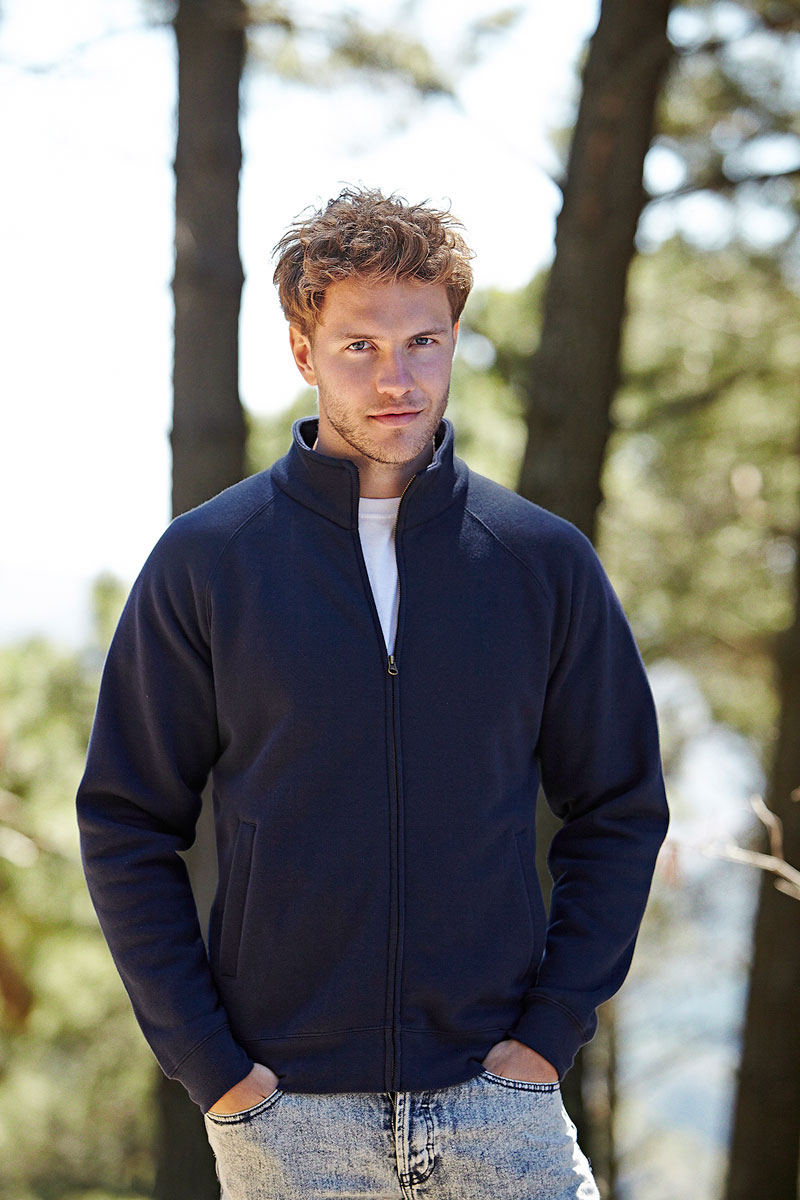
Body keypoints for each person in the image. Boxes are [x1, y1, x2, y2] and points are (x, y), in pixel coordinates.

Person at [77, 187, 669, 1200]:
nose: (397, 378)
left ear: (453, 341)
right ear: (302, 351)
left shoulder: (540, 562)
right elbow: (126, 821)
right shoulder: (207, 562)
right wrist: (214, 1070)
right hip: (288, 1119)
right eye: (359, 346)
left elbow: (618, 808)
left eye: (423, 342)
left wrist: (548, 1033)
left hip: (501, 1107)